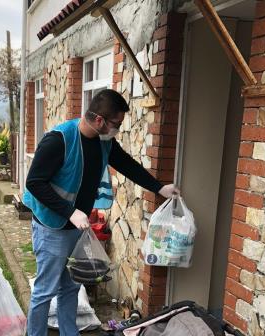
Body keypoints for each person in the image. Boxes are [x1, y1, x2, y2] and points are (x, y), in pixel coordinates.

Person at [24, 89, 179, 336]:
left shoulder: (103, 141)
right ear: (99, 120)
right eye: (116, 124)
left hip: (77, 229)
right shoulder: (58, 140)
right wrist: (69, 211)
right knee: (45, 291)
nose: (117, 129)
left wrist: (159, 187)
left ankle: (68, 333)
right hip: (52, 226)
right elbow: (34, 182)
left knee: (71, 287)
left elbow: (127, 164)